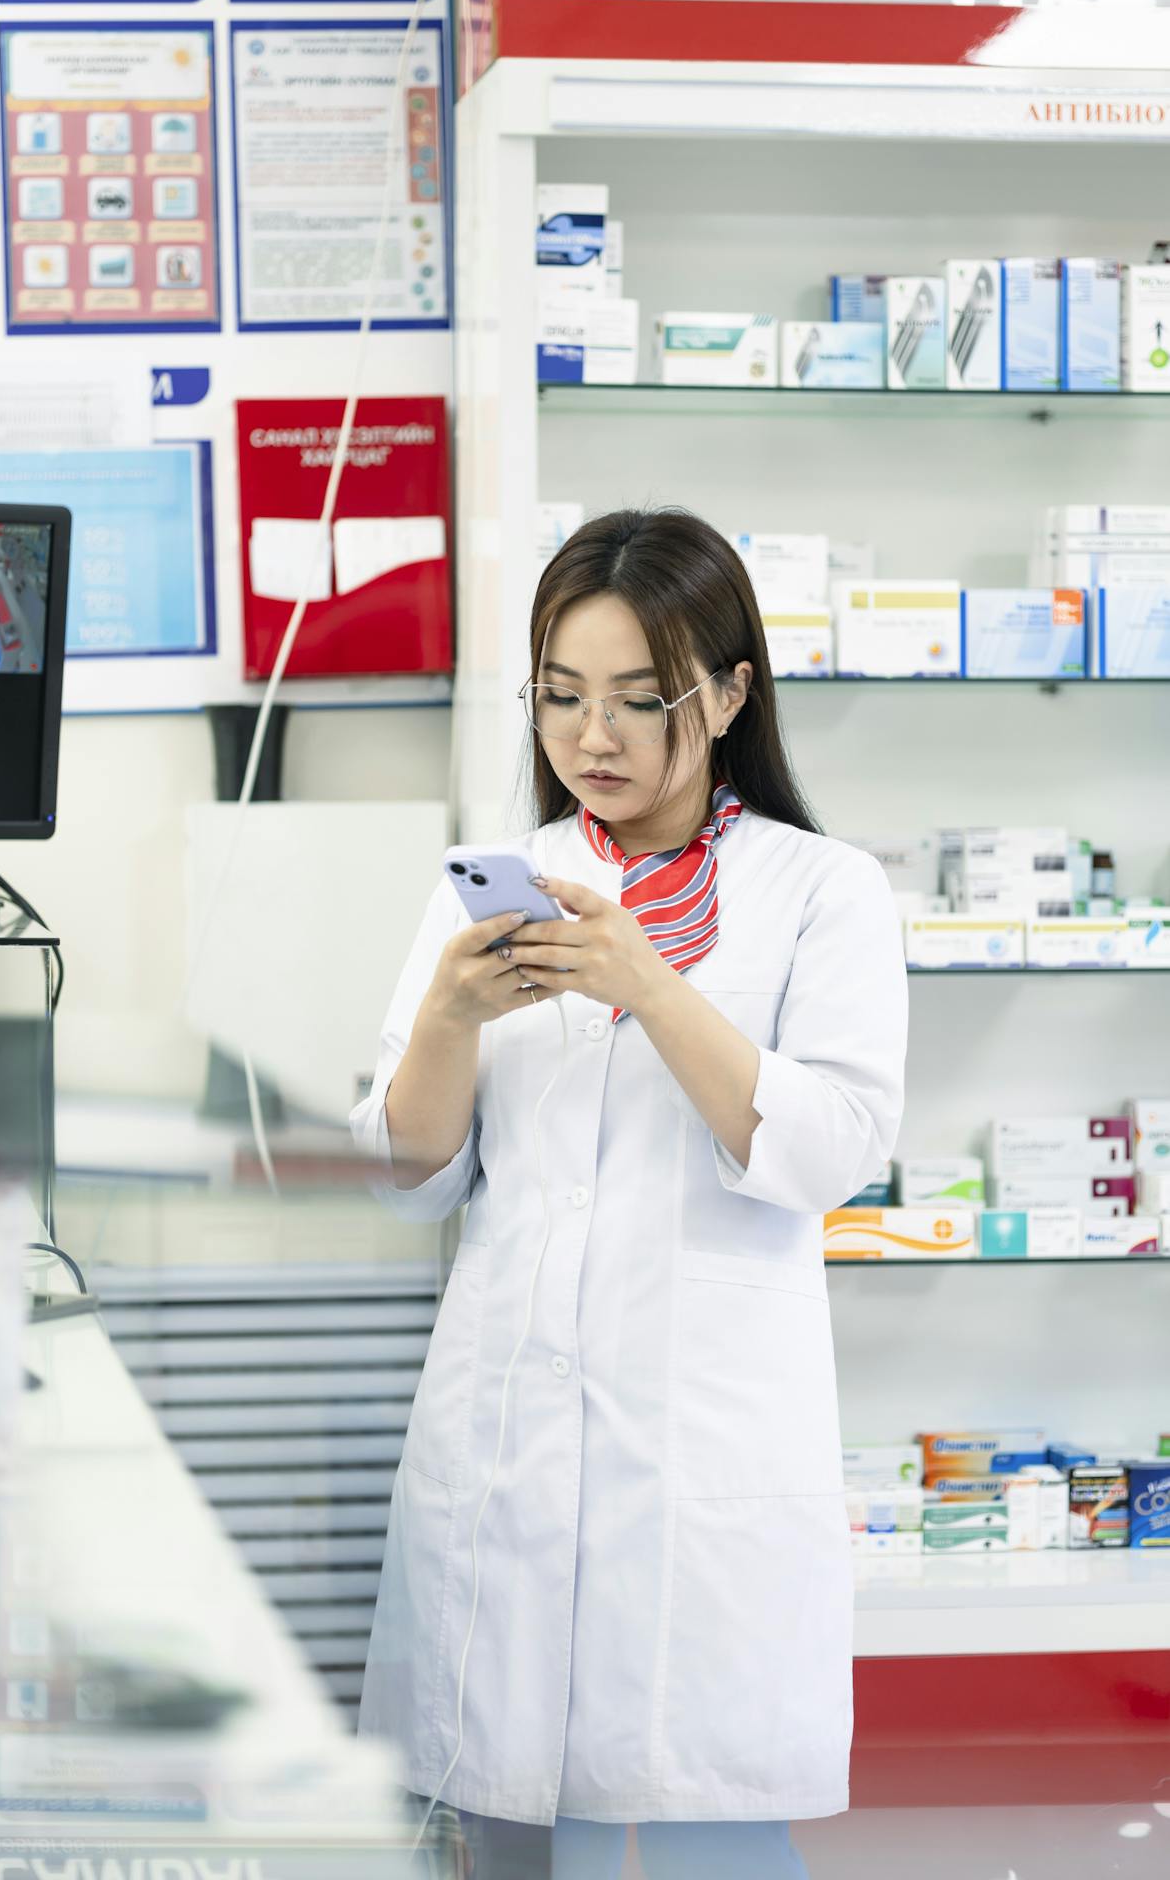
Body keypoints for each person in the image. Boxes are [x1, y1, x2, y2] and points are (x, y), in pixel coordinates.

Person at [351, 508, 908, 1877]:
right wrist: (446, 1015)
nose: (588, 738)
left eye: (634, 701)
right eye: (558, 696)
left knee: (699, 1824)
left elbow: (833, 1146)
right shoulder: (495, 886)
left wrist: (645, 984)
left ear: (724, 695)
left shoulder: (821, 892)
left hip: (701, 1454)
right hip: (506, 1441)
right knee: (503, 1825)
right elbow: (403, 1170)